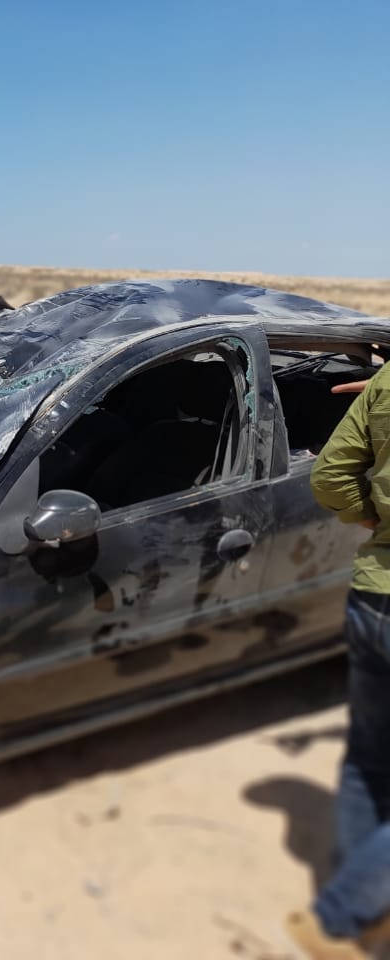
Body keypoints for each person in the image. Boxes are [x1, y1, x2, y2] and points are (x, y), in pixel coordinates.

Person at [291, 368, 390, 957]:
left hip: (375, 599)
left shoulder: (387, 384)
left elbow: (329, 477)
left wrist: (374, 520)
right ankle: (343, 914)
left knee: (367, 762)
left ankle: (358, 919)